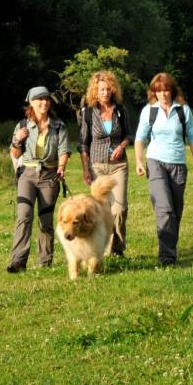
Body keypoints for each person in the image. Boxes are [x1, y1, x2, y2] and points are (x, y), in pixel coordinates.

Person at [133, 72, 193, 267]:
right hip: (155, 162)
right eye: (158, 90)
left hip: (178, 164)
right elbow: (140, 138)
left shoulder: (183, 111)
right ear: (154, 92)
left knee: (176, 212)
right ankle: (167, 258)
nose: (162, 94)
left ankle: (170, 247)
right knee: (165, 209)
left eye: (166, 90)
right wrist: (139, 161)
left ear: (172, 90)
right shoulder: (149, 111)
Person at [6, 86, 71, 272]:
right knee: (23, 216)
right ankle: (18, 261)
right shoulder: (22, 126)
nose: (44, 102)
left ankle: (45, 262)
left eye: (46, 99)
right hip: (27, 174)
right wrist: (17, 140)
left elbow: (64, 151)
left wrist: (61, 167)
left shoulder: (59, 126)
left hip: (49, 175)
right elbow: (16, 153)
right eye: (39, 99)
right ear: (31, 103)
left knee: (46, 220)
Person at [78, 70, 132, 257]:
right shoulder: (87, 113)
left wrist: (123, 145)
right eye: (101, 89)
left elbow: (129, 135)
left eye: (108, 89)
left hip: (119, 166)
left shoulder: (120, 110)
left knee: (120, 208)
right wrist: (86, 170)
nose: (105, 93)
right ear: (95, 90)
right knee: (103, 209)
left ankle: (118, 248)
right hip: (97, 166)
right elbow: (83, 144)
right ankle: (105, 249)